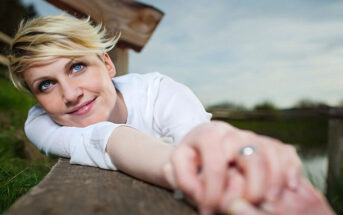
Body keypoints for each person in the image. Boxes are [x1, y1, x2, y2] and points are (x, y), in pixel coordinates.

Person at [7, 15, 334, 214]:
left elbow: (198, 135)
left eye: (77, 66)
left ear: (107, 64)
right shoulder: (39, 121)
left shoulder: (159, 92)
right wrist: (185, 170)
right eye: (47, 84)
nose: (70, 94)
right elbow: (106, 140)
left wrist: (227, 144)